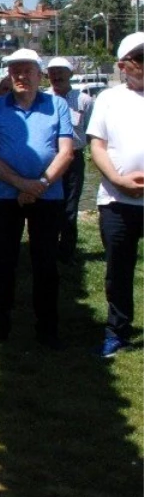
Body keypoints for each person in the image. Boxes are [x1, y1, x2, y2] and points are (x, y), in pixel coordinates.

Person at [0, 49, 74, 349]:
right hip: (4, 197)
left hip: (48, 196)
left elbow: (66, 152)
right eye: (15, 71)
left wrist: (40, 185)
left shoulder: (57, 105)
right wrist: (22, 184)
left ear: (39, 74)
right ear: (9, 75)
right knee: (4, 264)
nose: (20, 76)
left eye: (26, 70)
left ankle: (47, 330)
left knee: (45, 264)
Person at [85, 31, 144, 357]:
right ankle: (118, 331)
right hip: (117, 201)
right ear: (123, 65)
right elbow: (97, 145)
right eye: (140, 59)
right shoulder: (109, 98)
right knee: (118, 271)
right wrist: (118, 180)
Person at [45, 57, 95, 263]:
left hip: (74, 159)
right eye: (52, 72)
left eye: (61, 71)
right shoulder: (43, 99)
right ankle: (46, 248)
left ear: (70, 74)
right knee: (48, 205)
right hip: (49, 159)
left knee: (70, 206)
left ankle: (67, 252)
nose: (56, 76)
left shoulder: (85, 100)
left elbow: (91, 132)